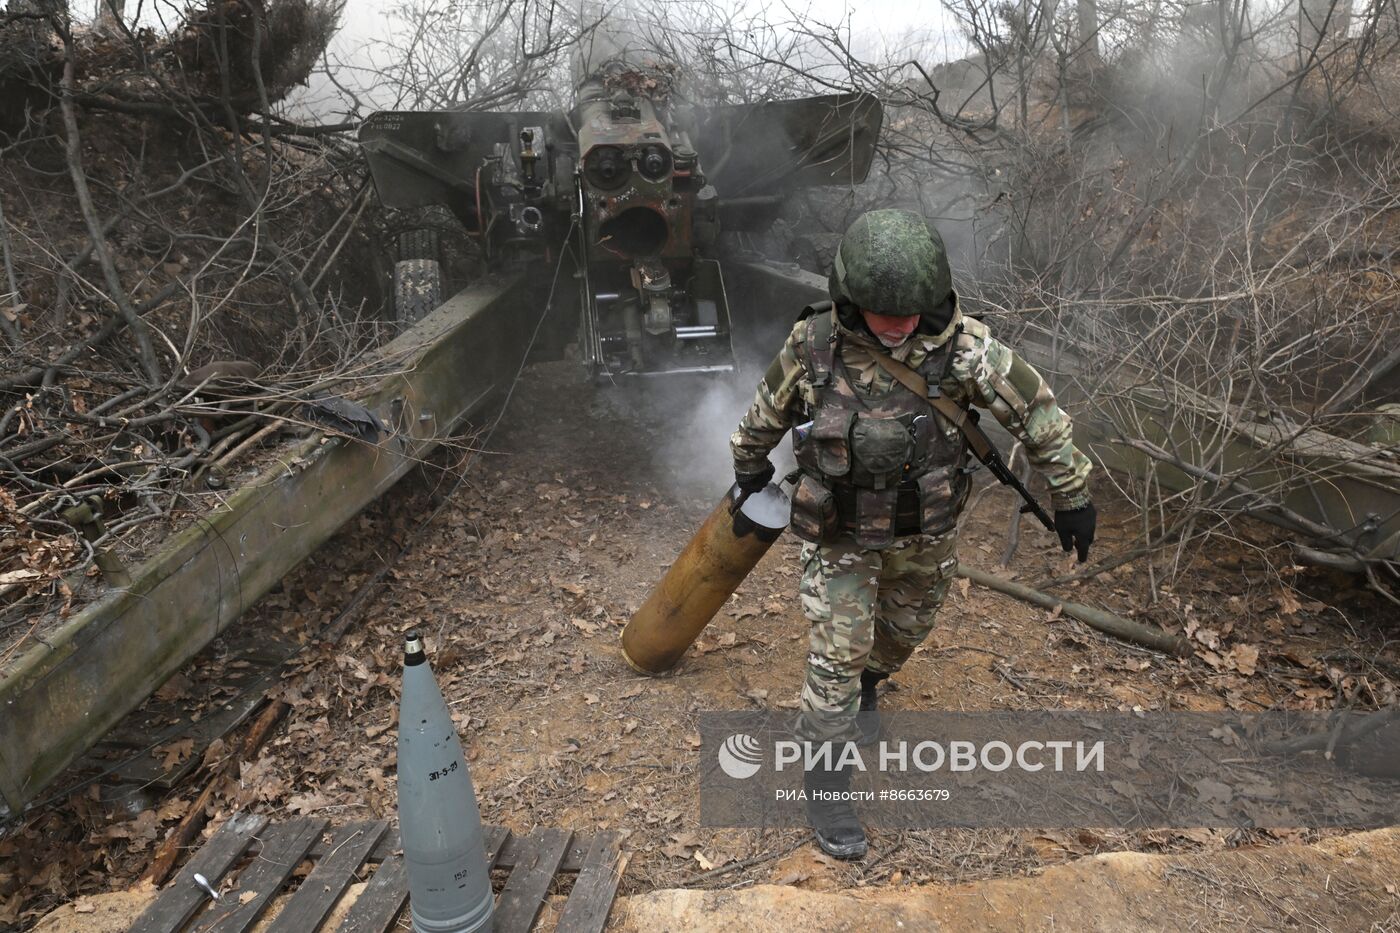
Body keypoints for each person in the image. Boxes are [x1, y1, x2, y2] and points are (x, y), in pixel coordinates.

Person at [730, 209, 1096, 859]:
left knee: (903, 633)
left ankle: (874, 678)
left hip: (924, 535)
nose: (896, 324)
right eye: (880, 312)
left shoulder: (966, 351)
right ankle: (827, 784)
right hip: (840, 536)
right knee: (836, 654)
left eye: (907, 312)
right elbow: (768, 407)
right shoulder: (816, 346)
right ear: (850, 298)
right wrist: (748, 467)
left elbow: (1037, 412)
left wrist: (1072, 495)